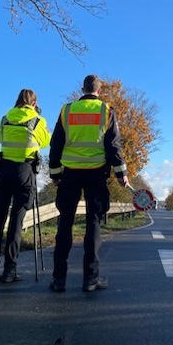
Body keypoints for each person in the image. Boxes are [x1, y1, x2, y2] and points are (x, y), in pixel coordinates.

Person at [48, 74, 128, 293]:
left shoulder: (67, 110)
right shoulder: (106, 111)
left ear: (82, 89)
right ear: (99, 91)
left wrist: (55, 173)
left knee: (65, 223)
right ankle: (90, 279)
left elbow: (56, 143)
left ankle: (58, 280)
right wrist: (122, 174)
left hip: (70, 173)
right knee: (93, 223)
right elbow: (113, 146)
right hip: (95, 174)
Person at [0, 89, 51, 284]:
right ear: (34, 102)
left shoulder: (5, 119)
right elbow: (46, 141)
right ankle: (10, 270)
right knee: (16, 221)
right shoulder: (38, 120)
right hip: (25, 171)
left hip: (4, 170)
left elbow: (0, 139)